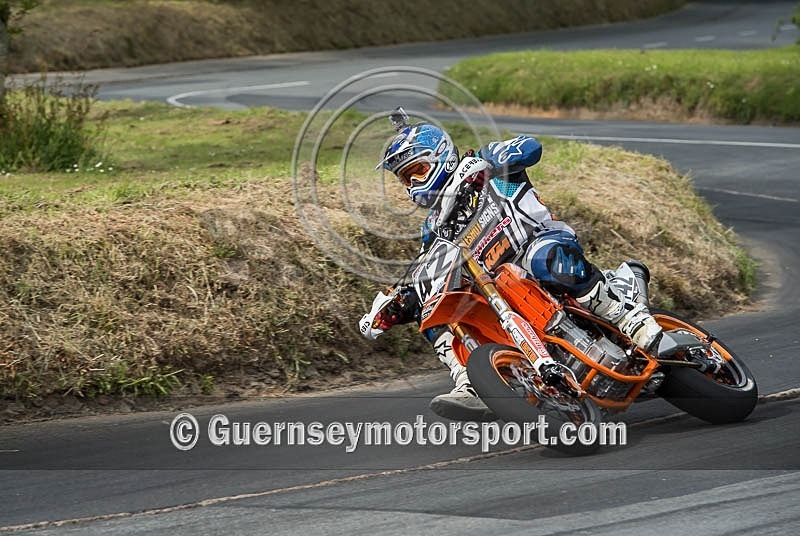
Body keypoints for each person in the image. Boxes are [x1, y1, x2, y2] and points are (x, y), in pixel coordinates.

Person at [359, 109, 662, 421]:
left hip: (538, 245)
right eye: (406, 178)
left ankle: (629, 319)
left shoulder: (482, 166)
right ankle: (470, 379)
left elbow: (531, 147)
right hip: (500, 290)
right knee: (436, 311)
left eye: (418, 170)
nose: (412, 184)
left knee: (541, 258)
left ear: (442, 157)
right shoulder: (433, 227)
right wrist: (397, 304)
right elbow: (428, 270)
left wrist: (497, 158)